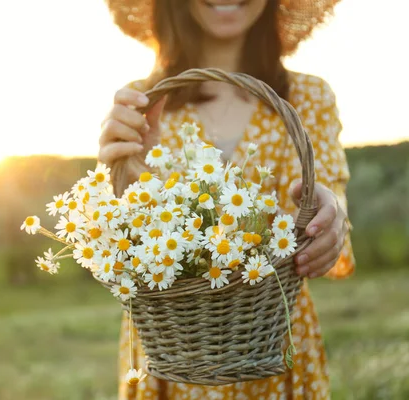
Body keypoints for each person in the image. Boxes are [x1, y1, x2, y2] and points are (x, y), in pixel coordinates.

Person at [98, 0, 355, 398]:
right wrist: (127, 179)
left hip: (274, 340)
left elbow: (328, 191)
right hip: (170, 350)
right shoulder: (142, 103)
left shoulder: (308, 97)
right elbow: (124, 245)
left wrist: (331, 213)